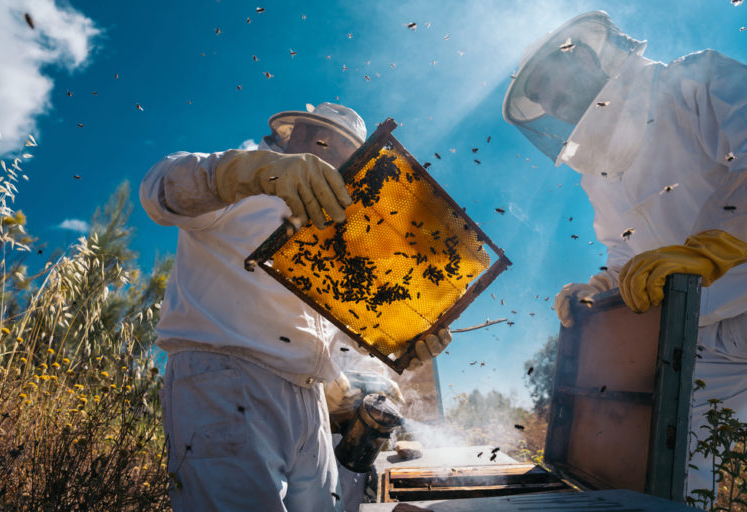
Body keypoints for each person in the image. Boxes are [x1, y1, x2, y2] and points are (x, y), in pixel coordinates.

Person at [140, 102, 451, 511]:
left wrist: (406, 345)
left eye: (345, 149)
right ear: (295, 134)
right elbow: (160, 188)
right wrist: (251, 172)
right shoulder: (239, 186)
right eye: (320, 136)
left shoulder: (339, 239)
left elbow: (350, 333)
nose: (329, 151)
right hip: (227, 380)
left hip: (308, 401)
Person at [502, 11, 747, 495]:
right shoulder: (595, 176)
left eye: (555, 78)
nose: (555, 97)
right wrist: (601, 288)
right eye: (543, 95)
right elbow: (625, 247)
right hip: (701, 333)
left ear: (590, 55)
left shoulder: (694, 80)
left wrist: (722, 243)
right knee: (671, 470)